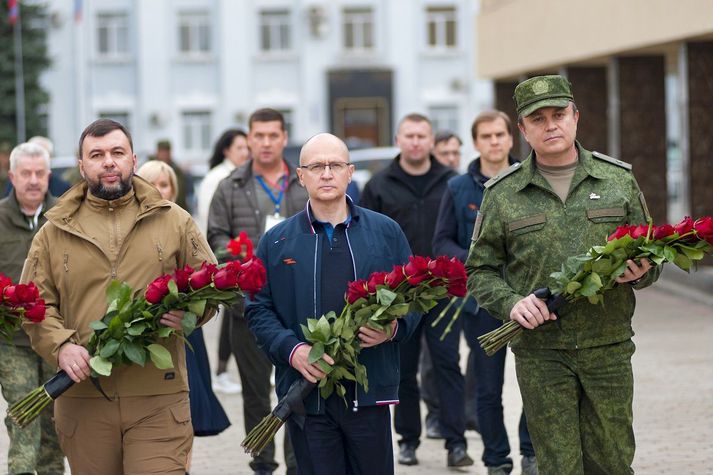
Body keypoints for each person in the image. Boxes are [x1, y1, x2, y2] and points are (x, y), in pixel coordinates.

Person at [467, 75, 660, 475]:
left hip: (607, 347)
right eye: (538, 119)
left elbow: (651, 256)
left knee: (612, 460)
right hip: (542, 353)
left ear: (576, 117)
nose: (550, 125)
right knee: (558, 464)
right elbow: (480, 270)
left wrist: (642, 272)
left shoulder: (617, 180)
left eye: (559, 114)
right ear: (522, 129)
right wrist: (512, 304)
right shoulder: (502, 193)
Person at [21, 119, 217, 475]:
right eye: (96, 155)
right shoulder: (53, 232)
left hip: (159, 393)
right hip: (83, 398)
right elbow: (34, 305)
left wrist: (191, 312)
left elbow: (211, 287)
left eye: (117, 152)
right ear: (81, 167)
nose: (108, 162)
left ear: (133, 159)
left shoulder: (174, 220)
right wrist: (61, 346)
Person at [246, 133, 420, 474]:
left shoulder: (385, 232)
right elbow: (257, 308)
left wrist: (394, 328)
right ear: (301, 175)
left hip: (368, 393)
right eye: (316, 166)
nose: (326, 173)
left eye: (335, 165)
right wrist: (291, 349)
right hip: (308, 395)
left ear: (350, 172)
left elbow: (414, 298)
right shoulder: (277, 241)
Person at [360, 113, 473, 468]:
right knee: (403, 371)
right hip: (400, 295)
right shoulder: (379, 185)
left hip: (441, 292)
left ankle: (457, 443)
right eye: (409, 135)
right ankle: (407, 439)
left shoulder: (451, 182)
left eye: (421, 135)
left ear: (430, 141)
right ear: (398, 139)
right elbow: (365, 239)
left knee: (447, 365)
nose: (415, 142)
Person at [434, 110, 536, 475]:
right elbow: (441, 241)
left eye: (500, 135)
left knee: (535, 385)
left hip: (530, 302)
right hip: (481, 304)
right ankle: (496, 458)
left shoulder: (531, 182)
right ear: (475, 143)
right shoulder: (457, 189)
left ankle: (530, 451)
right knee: (487, 389)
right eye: (486, 136)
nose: (494, 141)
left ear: (511, 139)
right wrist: (479, 259)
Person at [207, 108, 306, 475]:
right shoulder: (230, 186)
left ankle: (298, 465)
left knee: (298, 389)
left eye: (272, 135)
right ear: (248, 138)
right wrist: (238, 257)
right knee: (254, 393)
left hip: (298, 308)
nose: (265, 142)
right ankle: (263, 464)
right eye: (258, 135)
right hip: (247, 307)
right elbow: (214, 237)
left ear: (283, 138)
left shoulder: (303, 182)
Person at [137, 160, 231, 473]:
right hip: (147, 330)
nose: (159, 190)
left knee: (186, 409)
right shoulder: (130, 226)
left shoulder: (184, 224)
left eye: (165, 184)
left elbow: (204, 271)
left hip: (183, 328)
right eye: (152, 183)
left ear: (173, 188)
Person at [0, 143, 65, 475]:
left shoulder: (64, 217)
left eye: (40, 173)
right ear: (12, 176)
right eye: (26, 173)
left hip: (55, 339)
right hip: (14, 342)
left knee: (55, 421)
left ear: (49, 176)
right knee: (23, 416)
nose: (33, 180)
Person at [197, 129, 250, 394]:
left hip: (237, 256)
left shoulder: (244, 176)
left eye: (246, 148)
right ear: (226, 150)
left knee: (233, 314)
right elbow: (210, 221)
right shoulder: (217, 178)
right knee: (230, 313)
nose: (245, 152)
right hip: (220, 256)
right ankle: (220, 370)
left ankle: (222, 369)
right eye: (240, 147)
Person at [154, 139, 191, 212]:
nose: (164, 154)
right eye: (162, 151)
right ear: (157, 152)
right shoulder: (150, 168)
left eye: (166, 151)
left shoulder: (177, 170)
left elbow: (182, 193)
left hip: (175, 208)